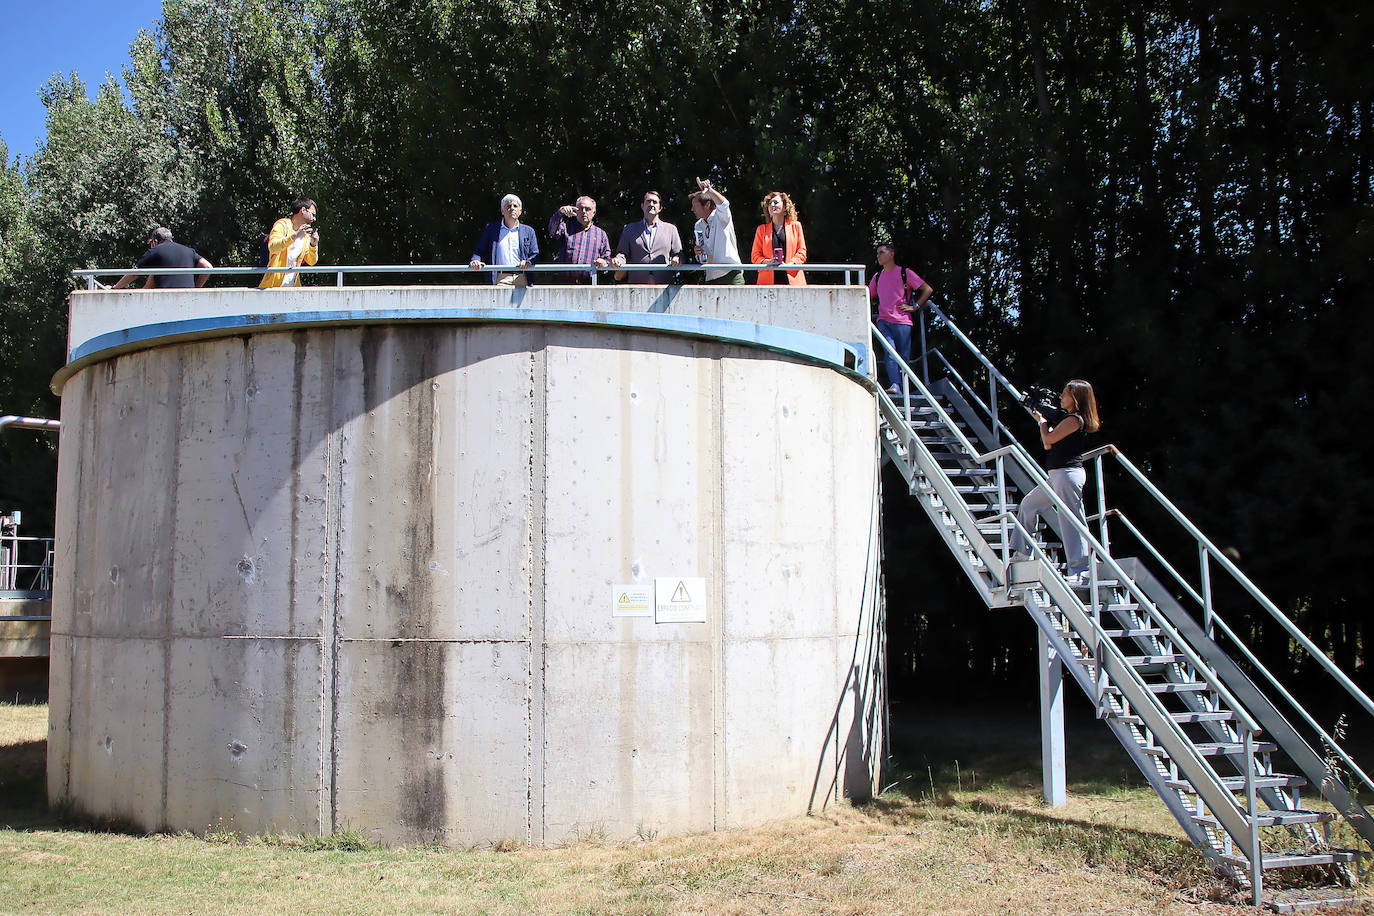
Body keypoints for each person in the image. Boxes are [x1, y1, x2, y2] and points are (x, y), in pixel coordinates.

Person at [1010, 380, 1102, 585]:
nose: (1060, 397)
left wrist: (1041, 421)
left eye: (1064, 394)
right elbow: (1049, 443)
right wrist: (1042, 415)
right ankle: (1021, 552)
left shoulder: (1074, 420)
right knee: (1028, 505)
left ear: (1075, 398)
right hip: (1058, 475)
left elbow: (1048, 440)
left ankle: (1081, 570)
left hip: (1067, 474)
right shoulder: (1067, 419)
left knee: (1071, 520)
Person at [868, 243, 933, 393]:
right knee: (889, 351)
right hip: (884, 320)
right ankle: (895, 385)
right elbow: (867, 295)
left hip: (903, 321)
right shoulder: (877, 277)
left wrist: (915, 306)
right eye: (877, 253)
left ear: (892, 254)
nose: (878, 256)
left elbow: (927, 289)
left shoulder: (905, 272)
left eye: (881, 252)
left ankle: (903, 388)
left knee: (903, 357)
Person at [612, 190, 682, 284]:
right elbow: (622, 253)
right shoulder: (629, 229)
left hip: (664, 283)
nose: (651, 204)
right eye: (648, 201)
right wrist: (618, 260)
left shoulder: (671, 229)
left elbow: (679, 254)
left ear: (660, 208)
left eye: (655, 202)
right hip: (637, 284)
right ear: (642, 206)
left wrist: (677, 259)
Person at [470, 194, 540, 286]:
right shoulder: (492, 229)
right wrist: (475, 261)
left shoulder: (528, 231)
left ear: (520, 211)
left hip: (522, 277)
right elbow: (479, 251)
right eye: (508, 206)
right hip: (501, 277)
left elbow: (535, 254)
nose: (512, 208)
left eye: (515, 206)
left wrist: (528, 262)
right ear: (502, 211)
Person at [112, 227, 213, 290]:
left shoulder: (156, 250)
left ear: (155, 241)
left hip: (165, 299)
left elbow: (134, 274)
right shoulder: (189, 250)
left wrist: (115, 288)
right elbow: (208, 267)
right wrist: (196, 289)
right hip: (188, 297)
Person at [689, 177, 743, 285]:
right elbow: (703, 257)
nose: (692, 209)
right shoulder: (698, 226)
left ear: (707, 205)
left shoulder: (721, 216)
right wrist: (698, 253)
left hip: (731, 273)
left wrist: (709, 190)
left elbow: (724, 204)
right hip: (711, 276)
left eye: (695, 206)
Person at [547, 196, 611, 283]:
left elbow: (607, 259)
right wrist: (560, 212)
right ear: (576, 211)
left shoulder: (601, 234)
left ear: (594, 212)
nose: (584, 212)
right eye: (580, 208)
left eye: (587, 209)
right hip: (564, 283)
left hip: (588, 284)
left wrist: (603, 262)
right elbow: (552, 230)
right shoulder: (566, 227)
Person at [259, 199, 319, 289]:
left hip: (293, 289)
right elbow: (273, 247)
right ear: (303, 210)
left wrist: (313, 245)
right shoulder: (282, 225)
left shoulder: (306, 234)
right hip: (272, 287)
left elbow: (311, 261)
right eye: (313, 214)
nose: (314, 219)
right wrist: (295, 236)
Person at [750, 191, 807, 285]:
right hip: (768, 281)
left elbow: (802, 251)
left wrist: (790, 265)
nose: (772, 205)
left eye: (776, 202)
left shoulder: (796, 226)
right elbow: (755, 256)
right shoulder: (761, 229)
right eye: (769, 204)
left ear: (785, 207)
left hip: (793, 279)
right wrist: (768, 261)